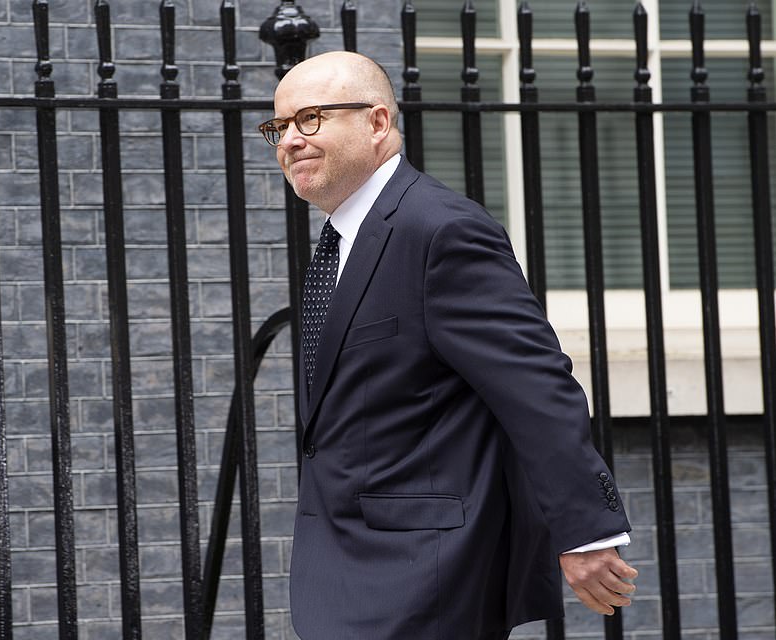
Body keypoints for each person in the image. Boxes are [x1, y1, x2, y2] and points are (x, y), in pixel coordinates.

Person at [258, 51, 639, 639]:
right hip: (346, 568)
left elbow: (535, 385)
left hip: (423, 577)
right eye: (280, 127)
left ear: (378, 122)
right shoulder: (344, 240)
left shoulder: (440, 229)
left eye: (310, 119)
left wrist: (586, 530)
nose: (290, 140)